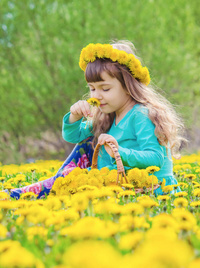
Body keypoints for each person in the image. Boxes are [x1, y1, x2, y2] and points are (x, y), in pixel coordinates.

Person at [7, 40, 185, 199]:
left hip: (152, 191)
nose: (96, 96)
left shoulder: (140, 114)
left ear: (127, 86)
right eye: (92, 89)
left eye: (105, 89)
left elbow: (155, 158)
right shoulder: (107, 115)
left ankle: (36, 192)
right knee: (86, 142)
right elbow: (73, 136)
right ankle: (49, 187)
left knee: (83, 162)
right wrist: (74, 117)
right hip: (122, 186)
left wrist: (119, 152)